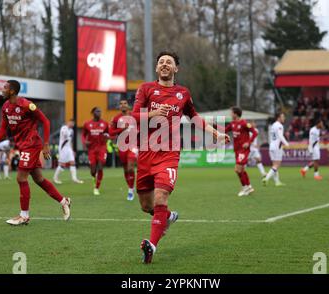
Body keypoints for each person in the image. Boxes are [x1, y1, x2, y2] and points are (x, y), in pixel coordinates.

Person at [132, 51, 230, 264]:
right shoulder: (146, 89)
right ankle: (166, 217)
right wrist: (151, 114)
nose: (165, 65)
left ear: (176, 68)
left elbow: (193, 117)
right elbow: (132, 117)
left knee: (160, 197)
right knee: (146, 206)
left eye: (169, 62)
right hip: (146, 154)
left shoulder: (183, 93)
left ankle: (152, 247)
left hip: (169, 154)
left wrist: (215, 132)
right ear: (157, 68)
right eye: (161, 62)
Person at [0, 80, 71, 226]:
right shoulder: (5, 107)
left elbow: (46, 121)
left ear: (12, 91)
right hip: (22, 145)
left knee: (21, 178)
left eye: (5, 88)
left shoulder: (26, 105)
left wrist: (46, 144)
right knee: (38, 179)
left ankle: (24, 216)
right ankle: (64, 201)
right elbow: (3, 128)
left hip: (32, 144)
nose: (2, 90)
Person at [225, 107, 258, 197]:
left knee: (237, 169)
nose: (230, 115)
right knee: (242, 169)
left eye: (231, 113)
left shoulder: (244, 123)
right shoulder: (232, 124)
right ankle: (249, 186)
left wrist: (248, 142)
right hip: (237, 150)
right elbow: (224, 130)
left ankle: (245, 188)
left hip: (243, 150)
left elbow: (255, 133)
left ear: (236, 114)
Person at [109, 98, 138, 201]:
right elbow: (111, 132)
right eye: (121, 104)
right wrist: (122, 129)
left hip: (133, 145)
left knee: (130, 168)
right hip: (122, 146)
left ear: (128, 105)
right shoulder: (116, 118)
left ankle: (130, 190)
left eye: (125, 103)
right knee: (126, 169)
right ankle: (131, 187)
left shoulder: (134, 115)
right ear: (119, 106)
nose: (123, 105)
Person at [82, 107, 109, 196]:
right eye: (97, 111)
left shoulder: (105, 123)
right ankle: (95, 178)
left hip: (102, 148)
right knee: (93, 171)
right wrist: (84, 142)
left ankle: (97, 188)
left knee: (100, 167)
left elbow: (109, 133)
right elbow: (83, 135)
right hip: (92, 149)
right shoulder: (87, 124)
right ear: (93, 112)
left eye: (100, 111)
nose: (99, 113)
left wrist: (108, 136)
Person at [53, 118, 84, 185]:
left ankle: (74, 178)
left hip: (68, 148)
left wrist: (72, 150)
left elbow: (70, 141)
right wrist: (66, 133)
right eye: (71, 123)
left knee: (72, 162)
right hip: (63, 148)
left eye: (73, 123)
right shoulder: (64, 128)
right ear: (68, 122)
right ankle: (55, 178)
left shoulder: (72, 130)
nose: (72, 124)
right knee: (62, 164)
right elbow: (64, 136)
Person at [263, 112, 290, 187]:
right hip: (277, 147)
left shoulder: (273, 125)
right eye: (282, 116)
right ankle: (266, 178)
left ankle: (277, 182)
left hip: (271, 146)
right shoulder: (279, 125)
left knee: (274, 165)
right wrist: (287, 144)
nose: (284, 118)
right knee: (277, 165)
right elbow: (280, 136)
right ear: (278, 117)